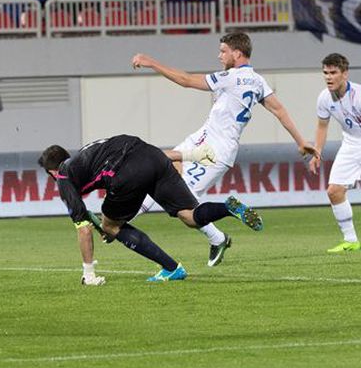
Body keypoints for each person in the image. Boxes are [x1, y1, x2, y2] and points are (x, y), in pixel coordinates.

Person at [131, 32, 319, 266]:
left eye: (223, 51)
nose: (219, 55)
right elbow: (279, 110)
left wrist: (151, 62)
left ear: (237, 53)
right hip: (201, 139)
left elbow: (187, 80)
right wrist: (300, 141)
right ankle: (217, 238)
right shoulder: (258, 81)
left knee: (185, 211)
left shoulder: (231, 77)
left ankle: (112, 224)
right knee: (160, 171)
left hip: (214, 152)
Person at [38, 135, 262, 284]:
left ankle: (172, 268)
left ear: (52, 172)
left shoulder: (64, 176)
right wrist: (191, 155)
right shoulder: (87, 153)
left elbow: (84, 228)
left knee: (111, 225)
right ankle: (228, 207)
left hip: (126, 171)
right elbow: (143, 153)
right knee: (190, 216)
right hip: (151, 155)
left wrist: (89, 273)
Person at [309, 54, 361, 253]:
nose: (328, 77)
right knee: (334, 191)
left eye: (333, 73)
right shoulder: (324, 98)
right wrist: (317, 152)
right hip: (350, 143)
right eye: (325, 73)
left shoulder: (358, 96)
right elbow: (322, 126)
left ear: (345, 74)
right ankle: (350, 240)